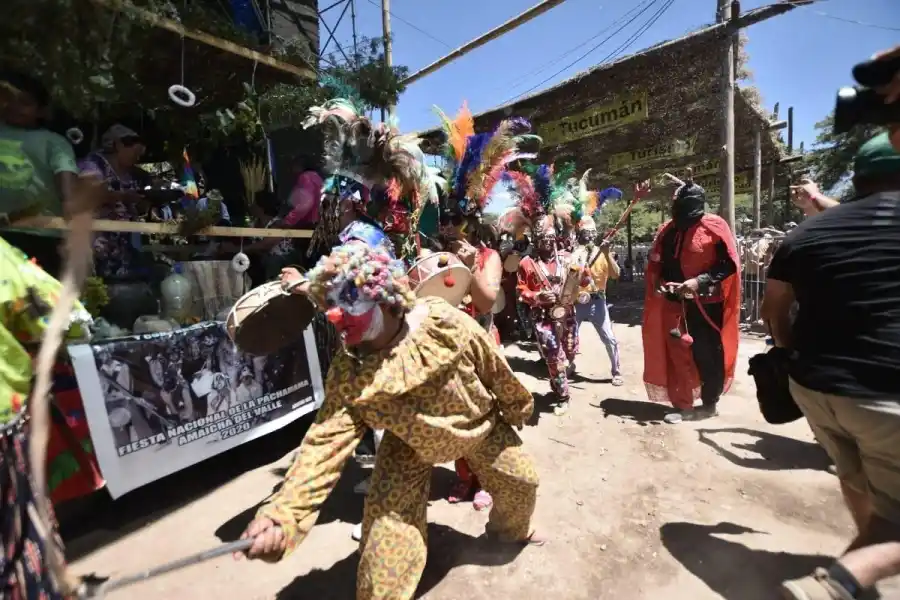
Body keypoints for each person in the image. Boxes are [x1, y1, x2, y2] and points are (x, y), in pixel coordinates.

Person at [235, 244, 541, 600]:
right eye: (328, 305)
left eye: (345, 304)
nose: (334, 316)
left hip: (480, 427)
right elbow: (321, 447)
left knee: (522, 483)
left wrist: (516, 404)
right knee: (383, 565)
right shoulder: (350, 373)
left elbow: (490, 362)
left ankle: (507, 536)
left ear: (383, 299)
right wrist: (281, 517)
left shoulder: (442, 320)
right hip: (407, 450)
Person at [762, 132, 900, 600]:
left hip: (813, 386)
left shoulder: (805, 235)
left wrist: (786, 354)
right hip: (884, 391)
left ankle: (864, 569)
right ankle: (840, 582)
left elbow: (772, 309)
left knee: (854, 475)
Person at [432, 102, 524, 509]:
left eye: (458, 220)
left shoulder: (485, 257)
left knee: (484, 414)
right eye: (446, 220)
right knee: (454, 413)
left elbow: (488, 303)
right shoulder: (434, 256)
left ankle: (486, 476)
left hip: (482, 347)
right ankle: (463, 476)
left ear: (472, 223)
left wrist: (469, 269)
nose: (451, 228)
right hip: (447, 351)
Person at [642, 181, 740, 424]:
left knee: (707, 354)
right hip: (674, 302)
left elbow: (729, 264)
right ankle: (683, 405)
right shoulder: (668, 230)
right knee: (678, 354)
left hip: (706, 303)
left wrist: (700, 281)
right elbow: (659, 263)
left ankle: (709, 404)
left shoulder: (715, 227)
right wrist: (660, 282)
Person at [0, 71, 83, 276]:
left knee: (39, 300)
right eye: (10, 100)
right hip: (2, 236)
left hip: (41, 235)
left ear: (41, 111)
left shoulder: (54, 143)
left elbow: (68, 187)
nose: (15, 107)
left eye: (25, 103)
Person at [573, 216, 623, 386]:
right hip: (577, 302)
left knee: (609, 338)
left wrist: (607, 254)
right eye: (586, 233)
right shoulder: (574, 253)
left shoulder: (605, 252)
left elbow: (616, 274)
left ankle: (616, 371)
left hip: (598, 301)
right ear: (579, 234)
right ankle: (569, 364)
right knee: (571, 336)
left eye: (592, 233)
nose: (589, 236)